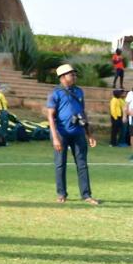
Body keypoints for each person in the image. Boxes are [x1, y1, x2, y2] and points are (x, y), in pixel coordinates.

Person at [47, 63, 99, 205]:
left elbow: (83, 113)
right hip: (61, 133)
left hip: (78, 133)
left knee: (82, 164)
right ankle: (61, 194)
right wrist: (55, 137)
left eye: (75, 74)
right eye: (71, 74)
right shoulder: (55, 93)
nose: (74, 76)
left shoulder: (79, 91)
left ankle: (86, 195)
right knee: (60, 164)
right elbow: (50, 116)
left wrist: (89, 134)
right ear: (63, 77)